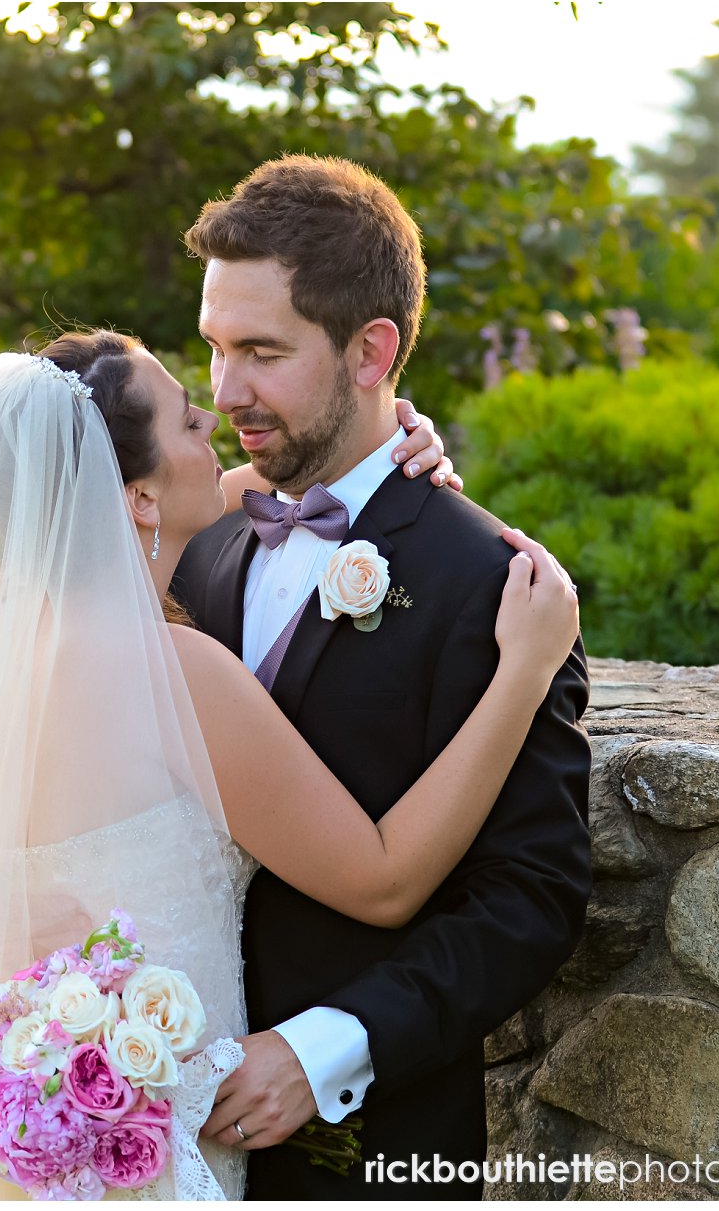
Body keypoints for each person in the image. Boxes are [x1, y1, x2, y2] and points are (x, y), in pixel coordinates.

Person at [0, 327, 579, 1198]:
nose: (223, 425)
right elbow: (384, 880)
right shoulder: (176, 676)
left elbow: (203, 493)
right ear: (139, 499)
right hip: (159, 1151)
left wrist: (384, 443)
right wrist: (522, 675)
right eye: (193, 422)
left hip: (40, 1141)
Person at [172, 155, 594, 1200]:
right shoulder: (200, 547)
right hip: (145, 1121)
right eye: (216, 350)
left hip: (369, 1155)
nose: (227, 392)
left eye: (262, 353)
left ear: (374, 351)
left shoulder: (492, 590)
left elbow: (529, 900)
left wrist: (323, 1052)